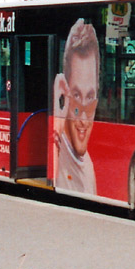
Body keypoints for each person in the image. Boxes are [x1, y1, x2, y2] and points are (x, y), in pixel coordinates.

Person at [53, 19, 100, 194]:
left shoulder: (88, 166)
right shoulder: (57, 152)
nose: (83, 120)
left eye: (90, 97)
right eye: (77, 96)